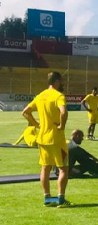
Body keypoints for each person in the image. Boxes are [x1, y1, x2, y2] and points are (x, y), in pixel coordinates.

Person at [21, 71, 72, 207]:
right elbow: (63, 112)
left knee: (45, 168)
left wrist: (37, 124)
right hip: (56, 139)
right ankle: (61, 199)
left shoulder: (40, 96)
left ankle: (47, 198)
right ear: (56, 82)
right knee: (63, 169)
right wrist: (61, 125)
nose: (62, 84)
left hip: (42, 138)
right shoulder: (58, 96)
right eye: (61, 81)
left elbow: (25, 112)